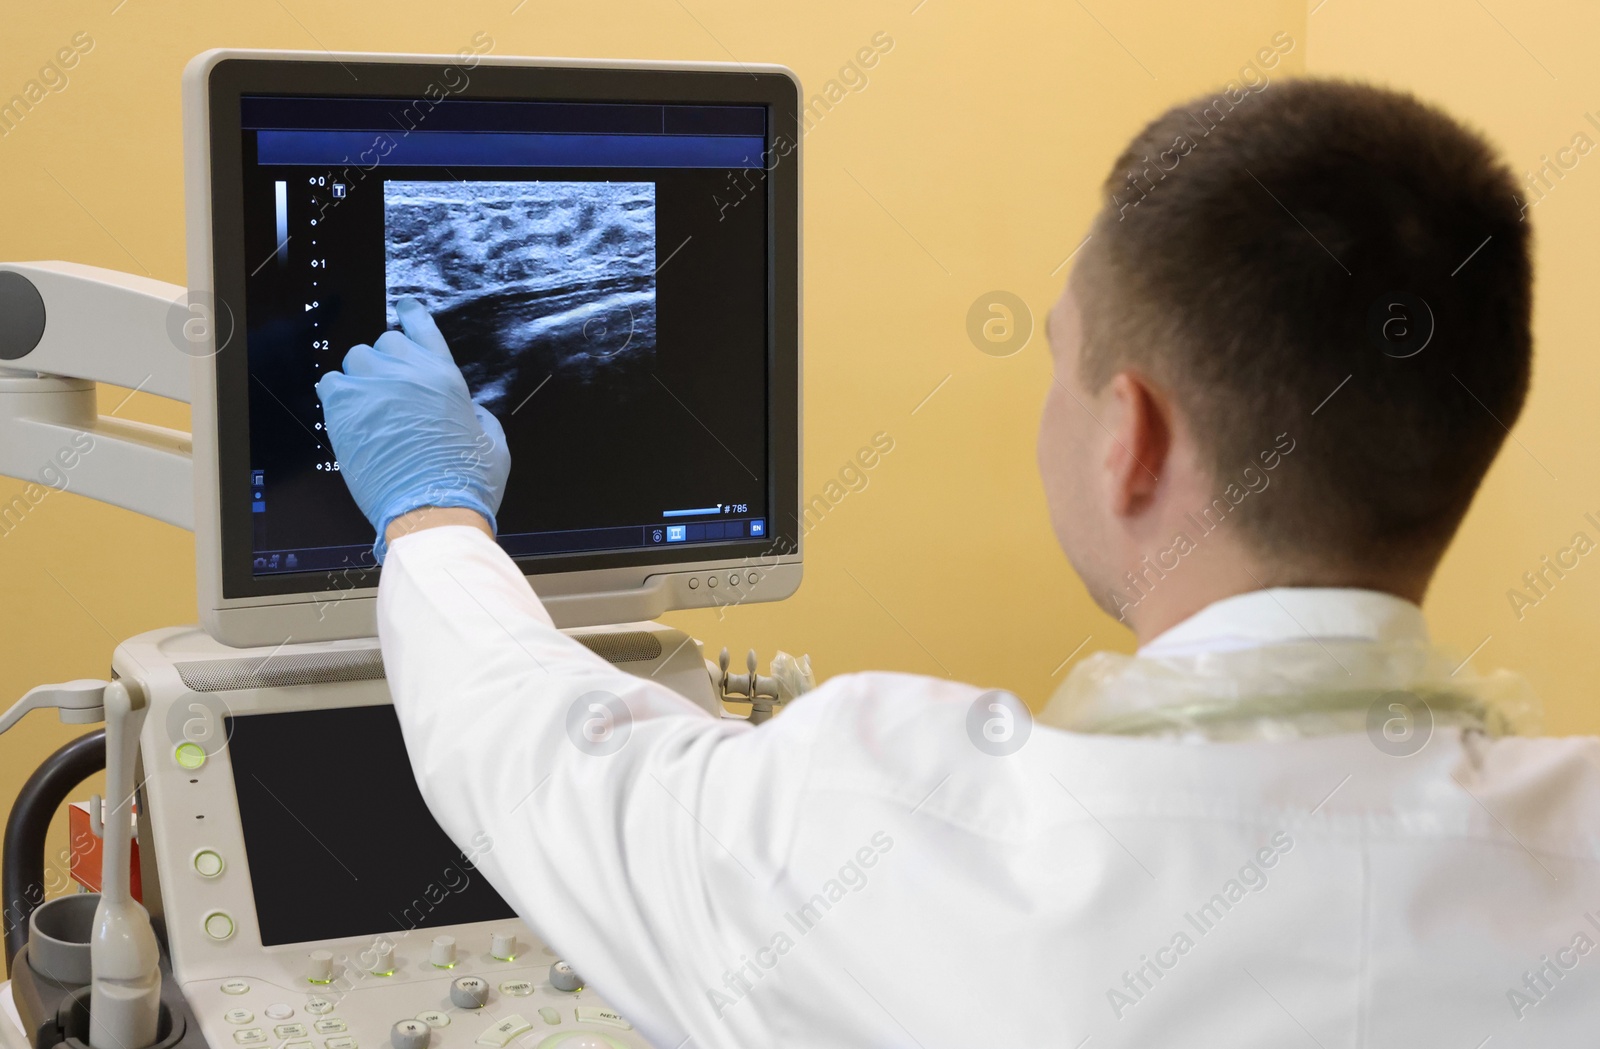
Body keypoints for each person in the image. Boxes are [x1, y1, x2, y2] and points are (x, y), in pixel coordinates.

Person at [317, 79, 1600, 1048]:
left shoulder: (893, 830)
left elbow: (532, 751)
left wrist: (430, 507)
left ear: (1131, 439)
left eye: (1060, 357)